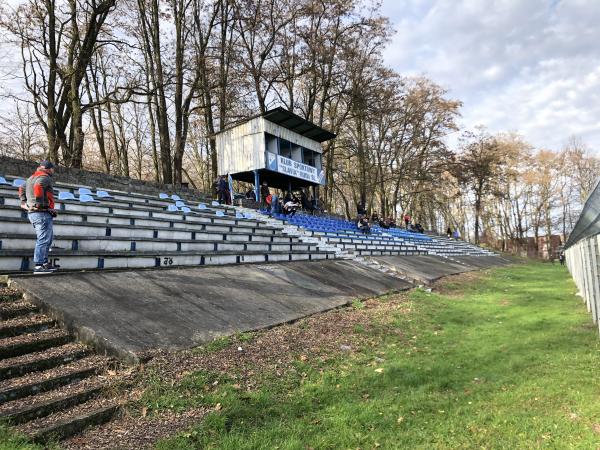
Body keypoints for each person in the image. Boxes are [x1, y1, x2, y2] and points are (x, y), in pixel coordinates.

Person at [19, 161, 59, 274]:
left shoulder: (31, 177)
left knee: (48, 238)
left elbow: (21, 188)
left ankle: (44, 263)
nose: (53, 171)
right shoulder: (44, 177)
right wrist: (39, 203)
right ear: (49, 169)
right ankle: (39, 265)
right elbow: (38, 186)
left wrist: (24, 202)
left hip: (37, 213)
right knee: (44, 239)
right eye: (53, 169)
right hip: (41, 213)